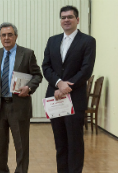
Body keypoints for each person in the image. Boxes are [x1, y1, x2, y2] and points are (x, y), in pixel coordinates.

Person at [42, 5, 96, 173]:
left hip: (75, 98)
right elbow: (46, 66)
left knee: (75, 142)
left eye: (70, 17)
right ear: (60, 21)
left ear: (77, 20)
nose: (66, 20)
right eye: (63, 17)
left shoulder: (87, 41)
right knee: (60, 142)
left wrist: (66, 87)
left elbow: (86, 70)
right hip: (55, 98)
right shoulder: (52, 40)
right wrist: (59, 83)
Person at [0, 22, 43, 173]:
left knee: (21, 146)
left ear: (16, 36)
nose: (6, 38)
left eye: (10, 34)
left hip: (19, 106)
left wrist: (29, 87)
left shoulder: (27, 54)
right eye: (3, 35)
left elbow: (37, 75)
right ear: (0, 37)